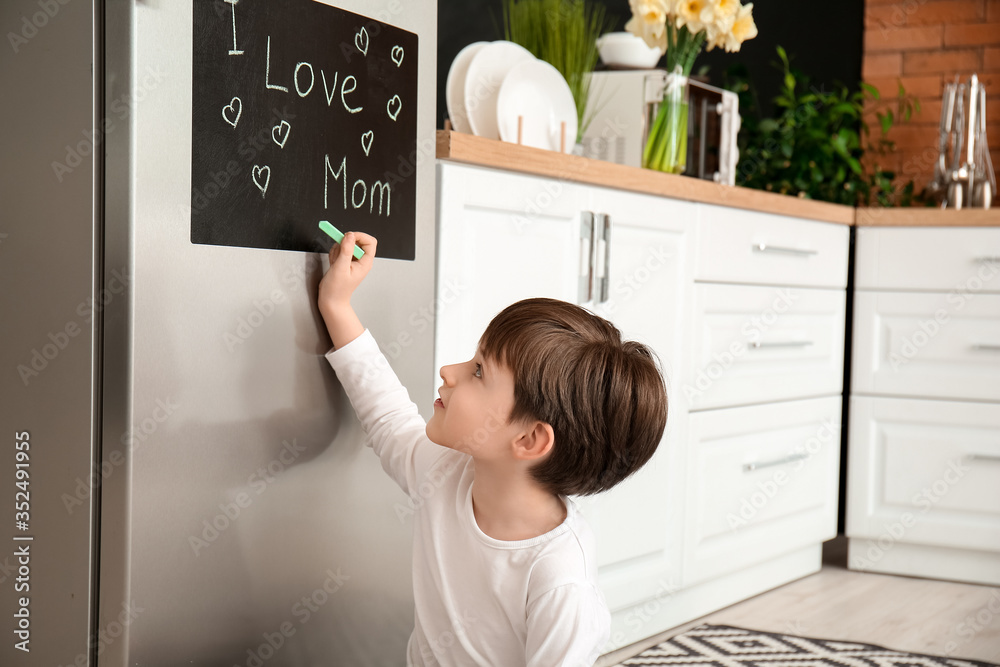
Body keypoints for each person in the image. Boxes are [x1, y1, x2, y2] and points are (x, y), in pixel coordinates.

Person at [318, 231, 668, 666]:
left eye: (479, 371)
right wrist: (337, 306)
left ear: (529, 440)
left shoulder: (560, 579)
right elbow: (387, 416)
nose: (449, 370)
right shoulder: (445, 473)